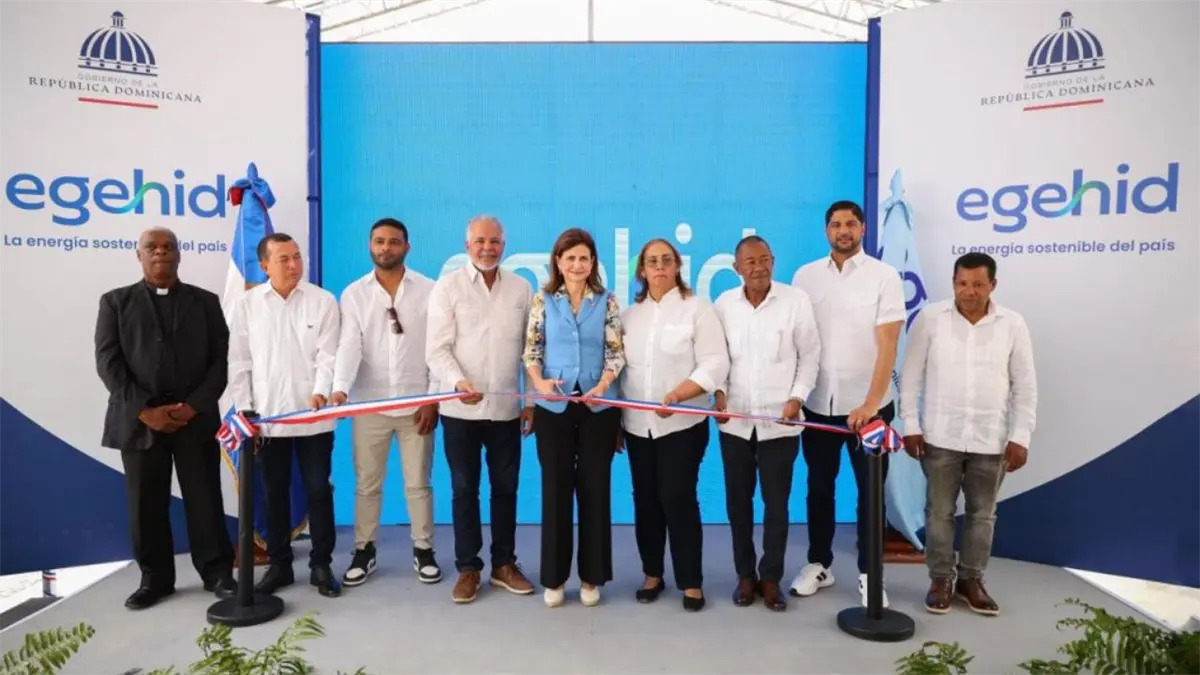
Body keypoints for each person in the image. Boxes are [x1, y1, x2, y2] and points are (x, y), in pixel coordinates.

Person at [94, 227, 236, 610]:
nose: (160, 253)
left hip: (195, 419)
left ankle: (219, 573)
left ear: (179, 255)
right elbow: (109, 364)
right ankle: (154, 580)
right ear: (138, 255)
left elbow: (221, 362)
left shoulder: (205, 302)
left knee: (205, 499)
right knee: (145, 504)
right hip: (139, 422)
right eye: (151, 248)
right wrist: (144, 409)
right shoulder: (115, 303)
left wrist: (193, 406)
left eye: (168, 247)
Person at [899, 252, 1037, 616]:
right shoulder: (931, 319)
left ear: (993, 285)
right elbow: (910, 377)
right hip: (939, 436)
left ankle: (971, 580)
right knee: (939, 512)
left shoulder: (1012, 324)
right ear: (953, 283)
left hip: (991, 438)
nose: (969, 291)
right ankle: (941, 578)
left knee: (982, 515)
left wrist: (1020, 435)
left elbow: (1025, 384)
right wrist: (910, 426)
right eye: (962, 283)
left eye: (978, 284)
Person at [789, 200, 906, 607]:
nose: (844, 230)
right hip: (819, 404)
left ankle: (870, 575)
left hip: (870, 408)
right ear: (826, 231)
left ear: (863, 229)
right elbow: (798, 341)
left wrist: (870, 404)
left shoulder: (884, 276)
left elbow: (888, 343)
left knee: (869, 494)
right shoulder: (804, 277)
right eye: (836, 224)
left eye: (851, 224)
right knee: (818, 488)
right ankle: (818, 564)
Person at [425, 214, 536, 604]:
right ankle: (469, 569)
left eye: (494, 241)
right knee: (464, 490)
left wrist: (531, 401)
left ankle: (504, 564)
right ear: (467, 245)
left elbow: (530, 351)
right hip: (461, 411)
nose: (487, 248)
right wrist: (457, 382)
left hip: (506, 410)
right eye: (479, 242)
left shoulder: (522, 288)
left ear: (503, 245)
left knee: (506, 490)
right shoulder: (447, 288)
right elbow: (436, 348)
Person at [227, 232, 342, 598]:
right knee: (273, 493)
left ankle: (321, 564)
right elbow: (240, 362)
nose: (294, 265)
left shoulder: (323, 301)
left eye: (297, 257)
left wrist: (321, 390)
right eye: (284, 259)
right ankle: (279, 565)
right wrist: (246, 411)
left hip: (314, 417)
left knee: (318, 490)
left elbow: (329, 356)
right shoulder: (247, 306)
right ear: (264, 266)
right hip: (267, 421)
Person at [618, 238, 729, 612]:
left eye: (667, 260)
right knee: (645, 501)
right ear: (642, 270)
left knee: (678, 498)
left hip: (683, 425)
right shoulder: (630, 315)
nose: (660, 267)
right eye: (652, 261)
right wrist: (617, 421)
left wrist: (681, 393)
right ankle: (652, 573)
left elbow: (714, 363)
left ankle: (691, 581)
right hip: (637, 426)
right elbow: (620, 371)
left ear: (677, 266)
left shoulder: (698, 309)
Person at [331, 218, 441, 587]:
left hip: (417, 405)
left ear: (407, 247)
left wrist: (433, 398)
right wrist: (340, 390)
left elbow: (438, 349)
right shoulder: (354, 294)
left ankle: (424, 550)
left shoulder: (430, 290)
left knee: (418, 484)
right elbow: (349, 346)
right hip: (369, 404)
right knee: (367, 484)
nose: (386, 248)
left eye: (394, 242)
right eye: (379, 241)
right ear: (369, 245)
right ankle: (364, 551)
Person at [712, 235, 820, 612]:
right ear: (736, 268)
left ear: (773, 260)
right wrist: (719, 395)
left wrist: (797, 398)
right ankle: (745, 575)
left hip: (781, 423)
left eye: (764, 259)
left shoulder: (796, 301)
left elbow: (810, 356)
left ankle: (771, 577)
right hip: (735, 423)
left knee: (777, 505)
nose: (758, 267)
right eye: (750, 262)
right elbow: (716, 358)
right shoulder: (724, 304)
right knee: (737, 503)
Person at [523, 227, 626, 608]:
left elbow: (616, 352)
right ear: (558, 262)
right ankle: (553, 578)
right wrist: (539, 383)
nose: (578, 264)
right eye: (571, 258)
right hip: (554, 408)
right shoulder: (544, 299)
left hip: (599, 407)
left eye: (585, 258)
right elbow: (531, 351)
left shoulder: (607, 300)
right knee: (556, 490)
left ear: (593, 262)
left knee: (595, 490)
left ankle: (591, 577)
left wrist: (604, 383)